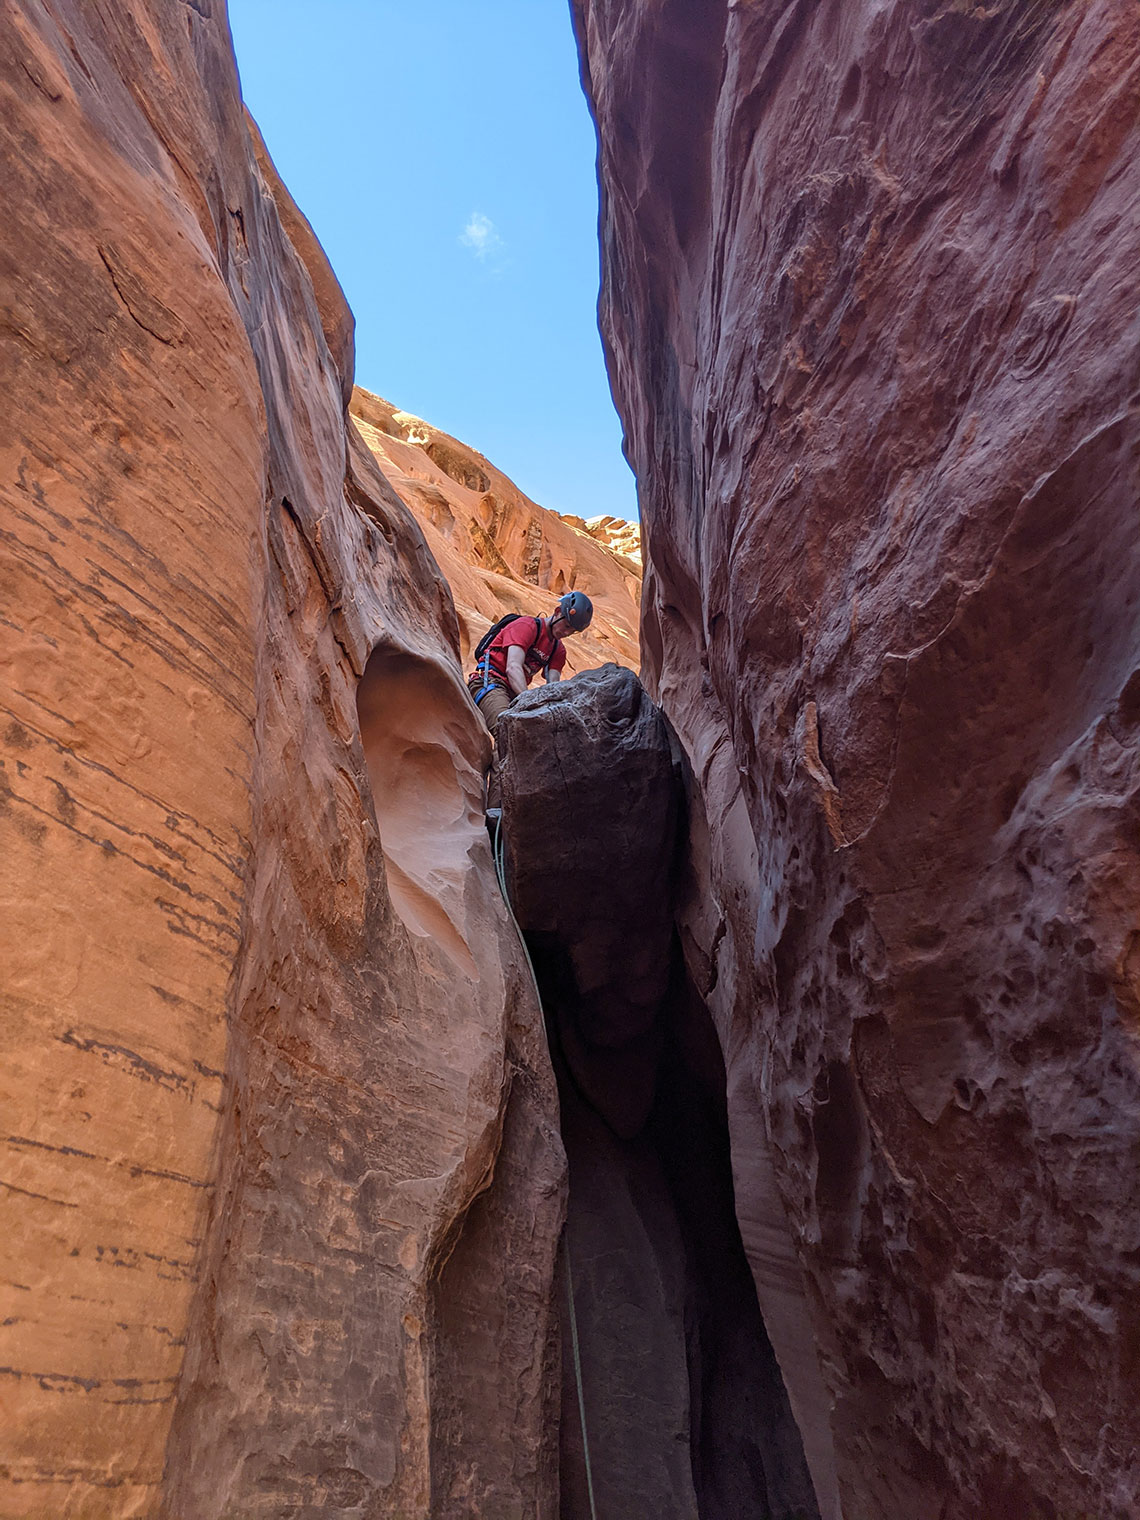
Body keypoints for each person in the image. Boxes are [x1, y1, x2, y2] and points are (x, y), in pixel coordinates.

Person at [468, 591, 593, 737]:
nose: (567, 633)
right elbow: (513, 667)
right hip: (490, 681)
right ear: (558, 612)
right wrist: (529, 702)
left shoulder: (558, 650)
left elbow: (553, 686)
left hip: (514, 693)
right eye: (566, 626)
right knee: (507, 732)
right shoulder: (526, 626)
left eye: (572, 631)